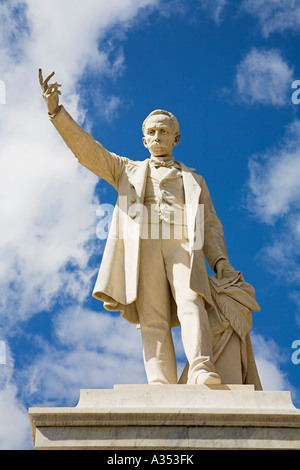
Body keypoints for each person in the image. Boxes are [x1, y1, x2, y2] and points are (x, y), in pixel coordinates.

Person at [39, 69, 237, 385]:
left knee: (192, 301)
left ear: (176, 138)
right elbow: (88, 151)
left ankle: (201, 368)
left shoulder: (194, 180)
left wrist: (221, 262)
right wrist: (56, 112)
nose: (157, 137)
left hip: (182, 242)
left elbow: (211, 225)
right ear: (143, 139)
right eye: (151, 132)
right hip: (142, 244)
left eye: (163, 131)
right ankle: (160, 381)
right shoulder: (125, 170)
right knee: (152, 316)